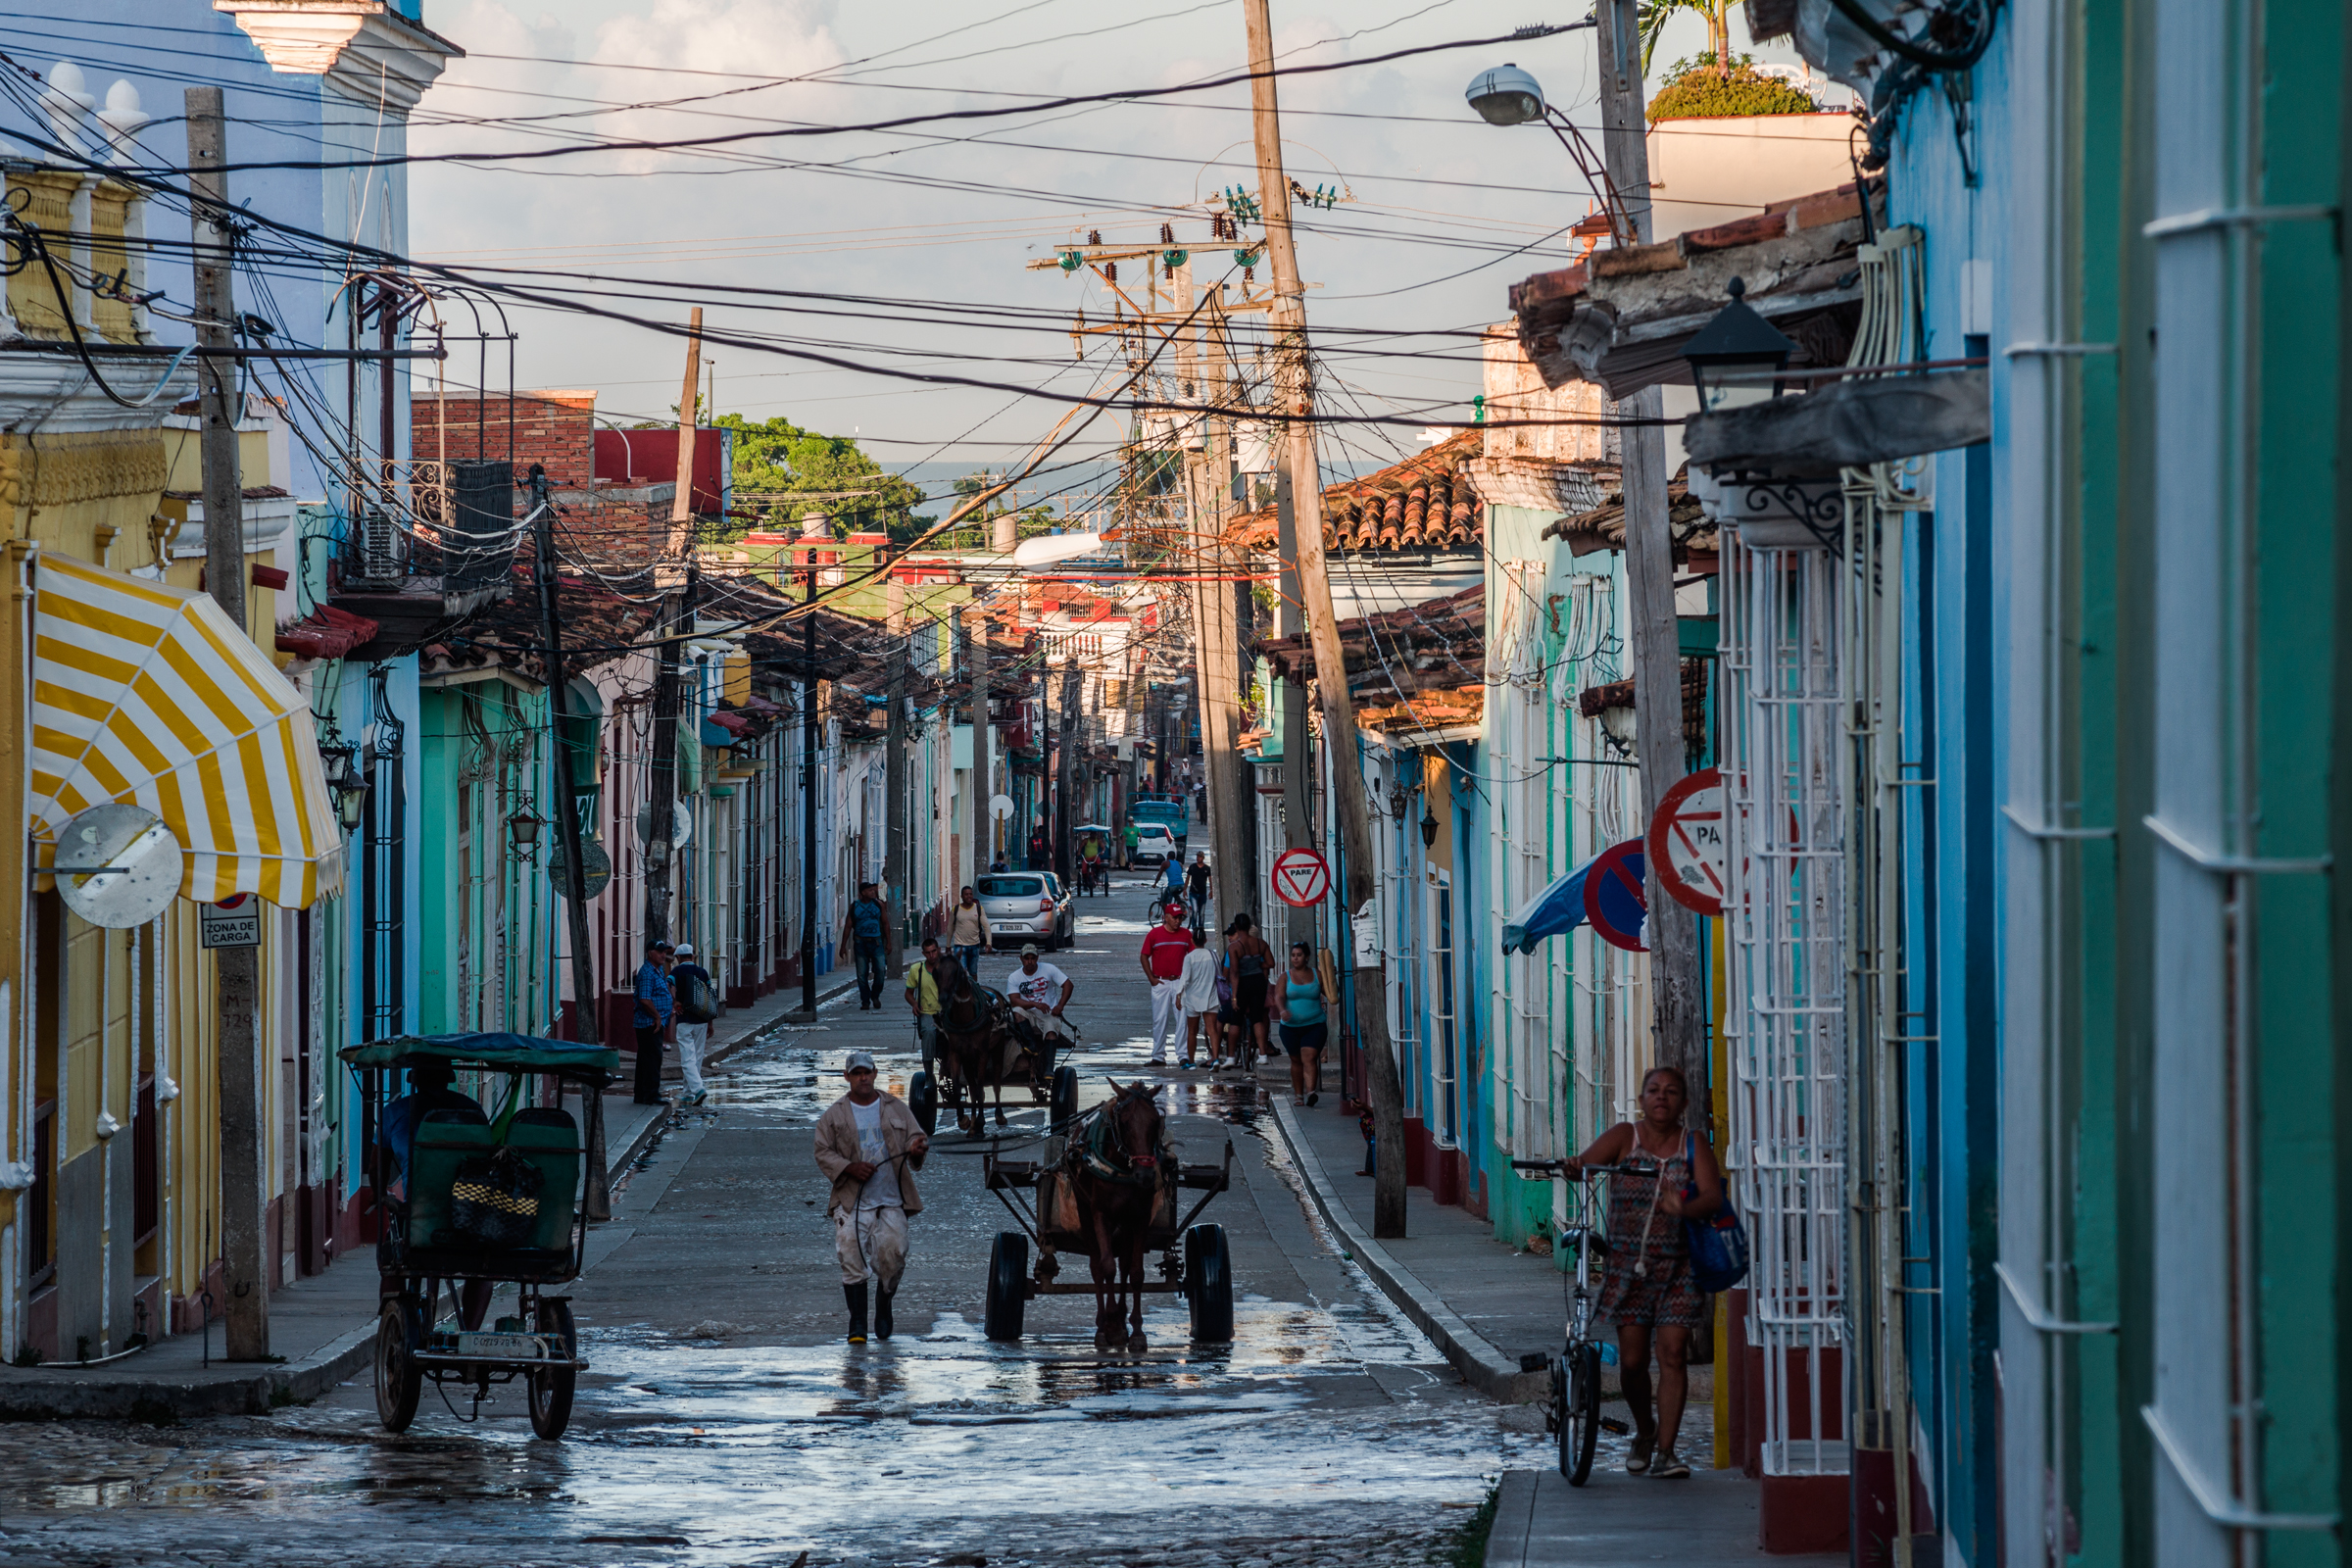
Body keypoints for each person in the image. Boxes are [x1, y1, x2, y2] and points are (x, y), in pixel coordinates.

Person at [1564, 1064, 1725, 1480]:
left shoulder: (1693, 1145)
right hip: (1628, 1269)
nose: (1662, 1097)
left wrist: (1683, 1208)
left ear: (1684, 1103)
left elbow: (1712, 1198)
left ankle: (1668, 1453)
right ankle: (1645, 1431)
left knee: (1672, 1354)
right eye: (1654, 1090)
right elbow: (1584, 1165)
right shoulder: (1624, 1137)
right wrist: (1572, 1166)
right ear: (1641, 1099)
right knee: (1633, 1363)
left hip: (1679, 1270)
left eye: (1672, 1092)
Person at [812, 1051, 930, 1345]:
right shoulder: (834, 1115)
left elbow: (916, 1138)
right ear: (847, 1077)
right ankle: (857, 1322)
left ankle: (884, 1302)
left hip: (891, 1198)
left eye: (867, 1072)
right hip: (851, 1200)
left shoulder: (896, 1107)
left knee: (894, 1254)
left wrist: (917, 1149)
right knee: (849, 1253)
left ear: (875, 1074)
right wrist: (849, 1168)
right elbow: (822, 1151)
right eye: (856, 1073)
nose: (863, 1078)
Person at [376, 1061, 493, 1328]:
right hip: (469, 1220)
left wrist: (381, 1195)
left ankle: (391, 1323)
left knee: (390, 1258)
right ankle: (471, 1331)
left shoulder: (394, 1112)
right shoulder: (472, 1111)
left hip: (418, 1220)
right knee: (484, 1270)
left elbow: (377, 1170)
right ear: (449, 1078)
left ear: (413, 1080)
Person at [1138, 901, 1195, 1068]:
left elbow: (1192, 958)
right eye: (1175, 918)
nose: (1178, 921)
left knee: (1182, 1019)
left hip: (1179, 982)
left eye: (1180, 918)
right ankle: (1158, 1055)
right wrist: (1152, 979)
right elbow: (1143, 956)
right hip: (1161, 981)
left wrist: (1187, 981)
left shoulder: (1186, 935)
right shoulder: (1154, 934)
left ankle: (1183, 1055)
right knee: (1159, 1019)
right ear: (1166, 917)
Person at [1221, 912, 1275, 1071]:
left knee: (1236, 1020)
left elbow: (1235, 973)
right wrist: (1258, 966)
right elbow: (1271, 963)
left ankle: (1231, 1057)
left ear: (1237, 927)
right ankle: (1263, 1055)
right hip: (1259, 982)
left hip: (1243, 983)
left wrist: (1234, 996)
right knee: (1257, 1018)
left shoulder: (1234, 947)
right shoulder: (1261, 943)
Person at [1279, 941, 1328, 1107]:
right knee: (1295, 1060)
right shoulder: (1285, 977)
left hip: (1315, 1024)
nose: (1295, 958)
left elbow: (1329, 992)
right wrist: (1282, 1010)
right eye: (1293, 955)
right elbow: (1278, 997)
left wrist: (1331, 978)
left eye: (1299, 955)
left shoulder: (1317, 974)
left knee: (1309, 1056)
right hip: (1289, 1028)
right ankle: (1298, 1095)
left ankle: (1311, 1092)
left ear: (1307, 957)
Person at [669, 943, 714, 1106]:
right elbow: (709, 998)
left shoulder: (677, 971)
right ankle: (688, 1093)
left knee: (687, 1059)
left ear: (679, 958)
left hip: (684, 1021)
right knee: (697, 1057)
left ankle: (697, 1089)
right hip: (701, 1020)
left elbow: (669, 985)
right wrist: (710, 1023)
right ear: (693, 956)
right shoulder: (702, 972)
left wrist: (675, 1002)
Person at [905, 936, 954, 1082]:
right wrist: (914, 1004)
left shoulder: (948, 967)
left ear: (938, 950)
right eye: (928, 953)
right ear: (923, 954)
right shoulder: (917, 969)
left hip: (948, 1012)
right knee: (929, 1033)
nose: (932, 955)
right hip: (928, 1013)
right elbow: (908, 993)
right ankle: (929, 1074)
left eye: (934, 951)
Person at [631, 939, 672, 1104]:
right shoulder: (648, 973)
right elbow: (645, 999)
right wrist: (657, 1016)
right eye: (660, 951)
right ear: (650, 953)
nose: (664, 954)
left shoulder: (658, 970)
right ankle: (651, 1095)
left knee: (646, 1059)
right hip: (649, 1023)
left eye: (665, 951)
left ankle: (641, 1094)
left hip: (655, 1021)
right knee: (653, 1059)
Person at [843, 881, 890, 1009]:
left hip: (876, 942)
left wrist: (889, 943)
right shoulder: (855, 907)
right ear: (863, 893)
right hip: (860, 942)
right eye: (869, 890)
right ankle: (865, 1000)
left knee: (880, 970)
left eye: (873, 890)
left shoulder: (878, 905)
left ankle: (875, 995)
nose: (873, 892)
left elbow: (885, 923)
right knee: (861, 974)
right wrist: (843, 946)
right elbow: (848, 926)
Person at [1004, 943, 1073, 1022]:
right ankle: (1026, 1034)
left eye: (1032, 958)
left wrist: (1060, 1006)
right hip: (1027, 1012)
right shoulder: (1014, 977)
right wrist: (1035, 1004)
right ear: (1021, 959)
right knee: (1016, 1011)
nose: (1030, 962)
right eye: (1026, 958)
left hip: (1048, 1013)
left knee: (1050, 1032)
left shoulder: (1049, 969)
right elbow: (1014, 1001)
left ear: (1037, 958)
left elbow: (1068, 984)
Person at [1178, 937, 1220, 1068]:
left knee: (1192, 1031)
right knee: (1212, 1029)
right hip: (1211, 995)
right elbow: (1219, 974)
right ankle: (1215, 1058)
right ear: (1205, 940)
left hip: (1193, 998)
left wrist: (1178, 995)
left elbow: (1185, 979)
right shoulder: (1213, 955)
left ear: (1192, 941)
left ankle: (1191, 1062)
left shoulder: (1189, 957)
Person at [947, 885, 991, 978]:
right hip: (960, 946)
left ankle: (974, 990)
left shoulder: (979, 909)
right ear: (961, 896)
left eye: (970, 894)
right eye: (966, 894)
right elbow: (950, 928)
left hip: (974, 945)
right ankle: (960, 991)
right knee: (960, 972)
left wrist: (988, 943)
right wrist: (948, 945)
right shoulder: (956, 909)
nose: (969, 896)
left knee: (973, 972)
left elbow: (986, 926)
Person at [1184, 853, 1212, 936]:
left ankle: (1201, 928)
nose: (1198, 858)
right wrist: (1184, 889)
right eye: (1197, 856)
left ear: (1203, 858)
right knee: (1195, 911)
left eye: (1200, 857)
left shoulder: (1207, 868)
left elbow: (1210, 880)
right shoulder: (1192, 867)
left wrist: (1211, 890)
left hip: (1202, 893)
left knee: (1202, 912)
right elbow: (1188, 878)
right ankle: (1194, 928)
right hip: (1193, 893)